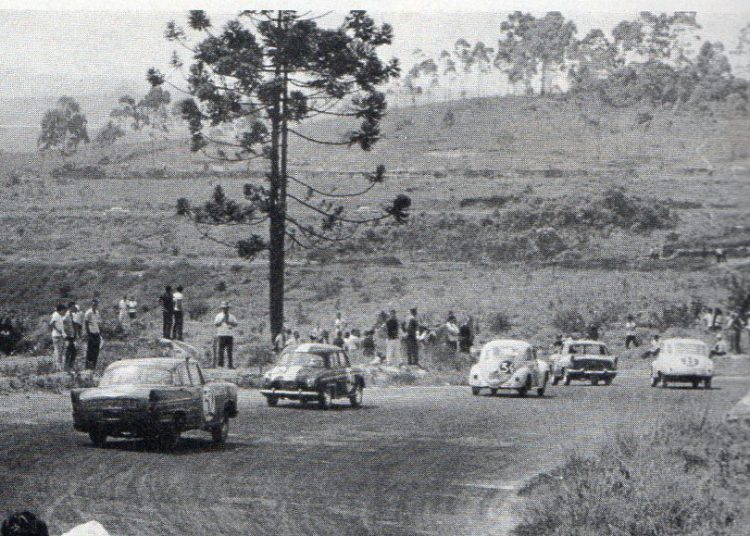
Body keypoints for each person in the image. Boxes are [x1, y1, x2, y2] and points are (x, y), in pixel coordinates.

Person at [214, 302, 238, 368]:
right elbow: (215, 324)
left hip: (229, 335)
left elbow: (236, 324)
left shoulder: (231, 316)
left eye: (226, 308)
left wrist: (229, 322)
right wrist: (221, 321)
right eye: (224, 308)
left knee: (229, 351)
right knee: (220, 351)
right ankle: (220, 365)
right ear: (222, 308)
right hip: (221, 334)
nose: (225, 309)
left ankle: (230, 365)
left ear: (228, 308)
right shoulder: (218, 316)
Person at [84, 299, 102, 370]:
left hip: (97, 333)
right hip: (91, 334)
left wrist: (100, 332)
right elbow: (86, 323)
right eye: (93, 305)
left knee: (96, 351)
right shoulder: (88, 313)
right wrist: (88, 334)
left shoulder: (97, 312)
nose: (95, 306)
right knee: (90, 351)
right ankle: (87, 367)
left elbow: (98, 323)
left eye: (96, 305)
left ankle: (93, 367)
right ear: (91, 305)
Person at [50, 304, 67, 371]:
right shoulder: (56, 315)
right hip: (57, 336)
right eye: (64, 310)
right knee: (58, 351)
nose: (65, 312)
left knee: (60, 351)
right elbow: (52, 324)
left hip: (59, 335)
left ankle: (59, 367)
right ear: (61, 310)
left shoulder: (59, 315)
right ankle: (58, 367)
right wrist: (58, 331)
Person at [63, 302, 78, 371]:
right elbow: (62, 325)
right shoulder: (66, 316)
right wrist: (65, 336)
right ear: (70, 307)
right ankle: (67, 367)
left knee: (72, 352)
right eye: (73, 307)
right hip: (68, 336)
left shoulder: (72, 315)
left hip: (72, 336)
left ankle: (69, 367)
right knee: (71, 352)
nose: (74, 308)